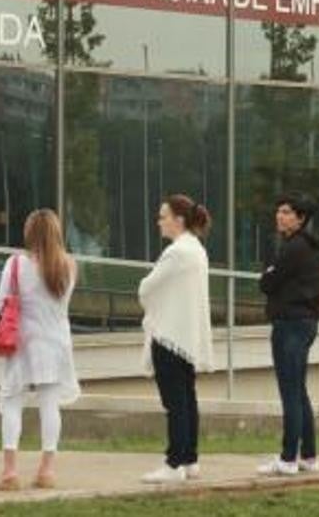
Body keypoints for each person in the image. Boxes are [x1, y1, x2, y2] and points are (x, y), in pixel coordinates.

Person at [0, 209, 81, 492]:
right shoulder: (69, 265)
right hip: (55, 341)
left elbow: (0, 302)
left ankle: (9, 472)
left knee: (12, 402)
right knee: (49, 405)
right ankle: (46, 471)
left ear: (29, 233)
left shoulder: (16, 263)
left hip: (23, 342)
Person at [138, 194, 215, 484]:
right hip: (187, 336)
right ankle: (190, 459)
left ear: (179, 220)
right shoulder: (196, 249)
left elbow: (147, 287)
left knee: (175, 402)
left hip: (169, 335)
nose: (159, 221)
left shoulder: (177, 252)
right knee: (187, 399)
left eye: (163, 216)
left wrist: (151, 300)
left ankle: (174, 464)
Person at [257, 193, 319, 476]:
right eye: (279, 210)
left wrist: (268, 273)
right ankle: (308, 456)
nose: (279, 216)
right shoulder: (304, 246)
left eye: (286, 212)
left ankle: (288, 459)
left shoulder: (293, 248)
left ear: (300, 218)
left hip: (291, 325)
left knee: (290, 392)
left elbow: (268, 283)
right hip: (303, 323)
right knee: (299, 391)